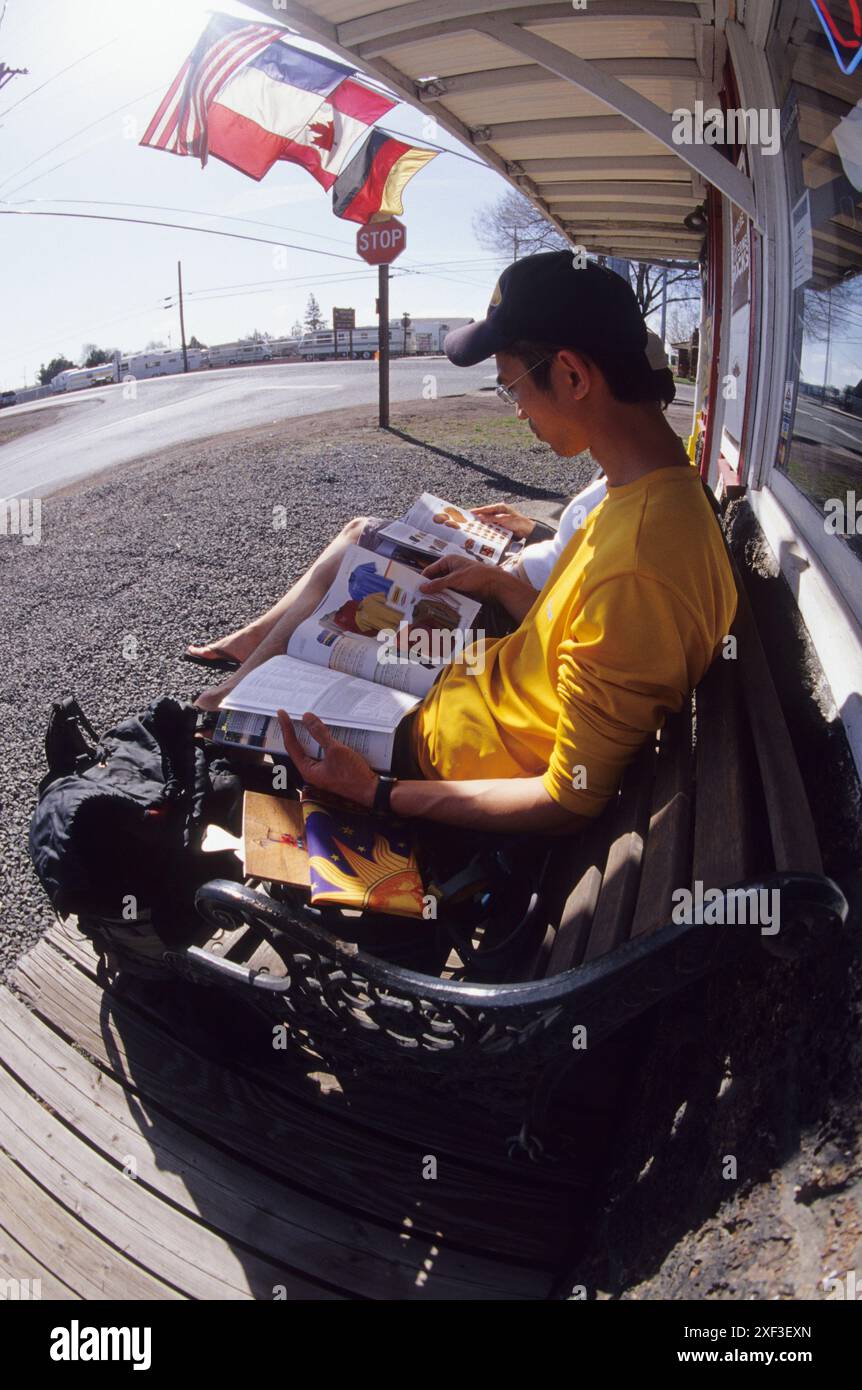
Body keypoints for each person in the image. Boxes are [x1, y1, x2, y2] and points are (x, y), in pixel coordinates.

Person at [205, 253, 738, 837]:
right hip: (460, 691)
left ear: (572, 376)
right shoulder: (644, 494)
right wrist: (500, 586)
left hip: (434, 755)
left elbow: (567, 800)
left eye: (511, 383)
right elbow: (579, 637)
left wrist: (375, 793)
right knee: (311, 640)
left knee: (230, 733)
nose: (516, 411)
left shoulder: (640, 565)